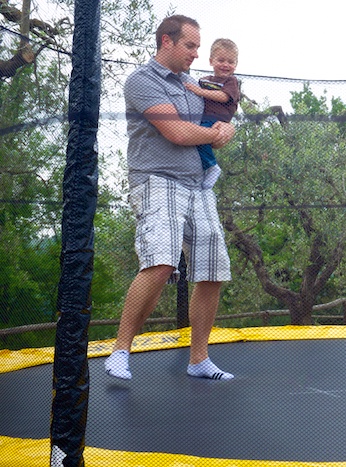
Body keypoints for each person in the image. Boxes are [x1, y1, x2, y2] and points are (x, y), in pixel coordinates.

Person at [104, 15, 236, 381]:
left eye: (198, 46)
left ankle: (198, 360)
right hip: (156, 180)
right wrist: (213, 135)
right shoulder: (142, 82)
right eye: (190, 46)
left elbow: (220, 115)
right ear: (167, 42)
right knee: (161, 262)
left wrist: (227, 127)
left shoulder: (192, 84)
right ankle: (120, 351)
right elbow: (176, 132)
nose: (197, 54)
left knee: (213, 268)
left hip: (197, 184)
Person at [184, 38, 240, 189]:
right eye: (221, 60)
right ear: (211, 61)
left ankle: (211, 166)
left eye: (230, 61)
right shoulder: (204, 80)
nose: (225, 65)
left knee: (199, 137)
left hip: (217, 119)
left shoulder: (231, 82)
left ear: (235, 65)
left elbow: (224, 96)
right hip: (203, 117)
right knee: (197, 139)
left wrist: (200, 91)